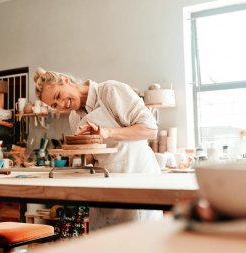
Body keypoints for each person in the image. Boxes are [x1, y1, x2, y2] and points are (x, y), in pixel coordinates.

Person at [34, 67, 163, 230]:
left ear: (67, 81)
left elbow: (150, 130)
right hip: (104, 190)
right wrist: (82, 155)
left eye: (58, 96)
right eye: (54, 105)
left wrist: (108, 132)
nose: (61, 105)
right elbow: (92, 159)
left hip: (136, 183)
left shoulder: (110, 91)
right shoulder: (75, 117)